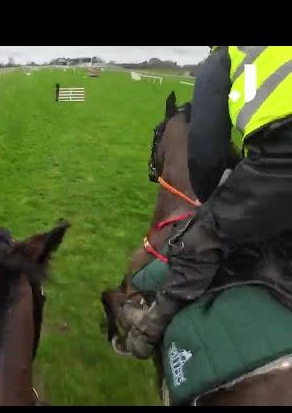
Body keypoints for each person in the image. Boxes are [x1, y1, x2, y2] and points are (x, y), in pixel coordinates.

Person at [125, 46, 292, 358]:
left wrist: (213, 207)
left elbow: (205, 153)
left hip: (282, 159)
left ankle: (146, 330)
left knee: (202, 238)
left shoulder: (226, 55)